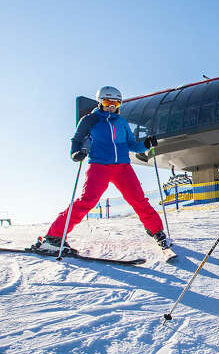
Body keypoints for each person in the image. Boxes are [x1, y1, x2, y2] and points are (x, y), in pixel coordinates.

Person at [33, 86, 171, 254]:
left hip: (122, 167)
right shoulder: (89, 120)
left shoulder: (121, 122)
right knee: (86, 201)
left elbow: (131, 144)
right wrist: (75, 153)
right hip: (99, 166)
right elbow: (76, 140)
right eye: (107, 102)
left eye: (115, 103)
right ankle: (54, 238)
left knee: (138, 200)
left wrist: (145, 144)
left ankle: (156, 231)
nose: (111, 106)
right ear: (100, 102)